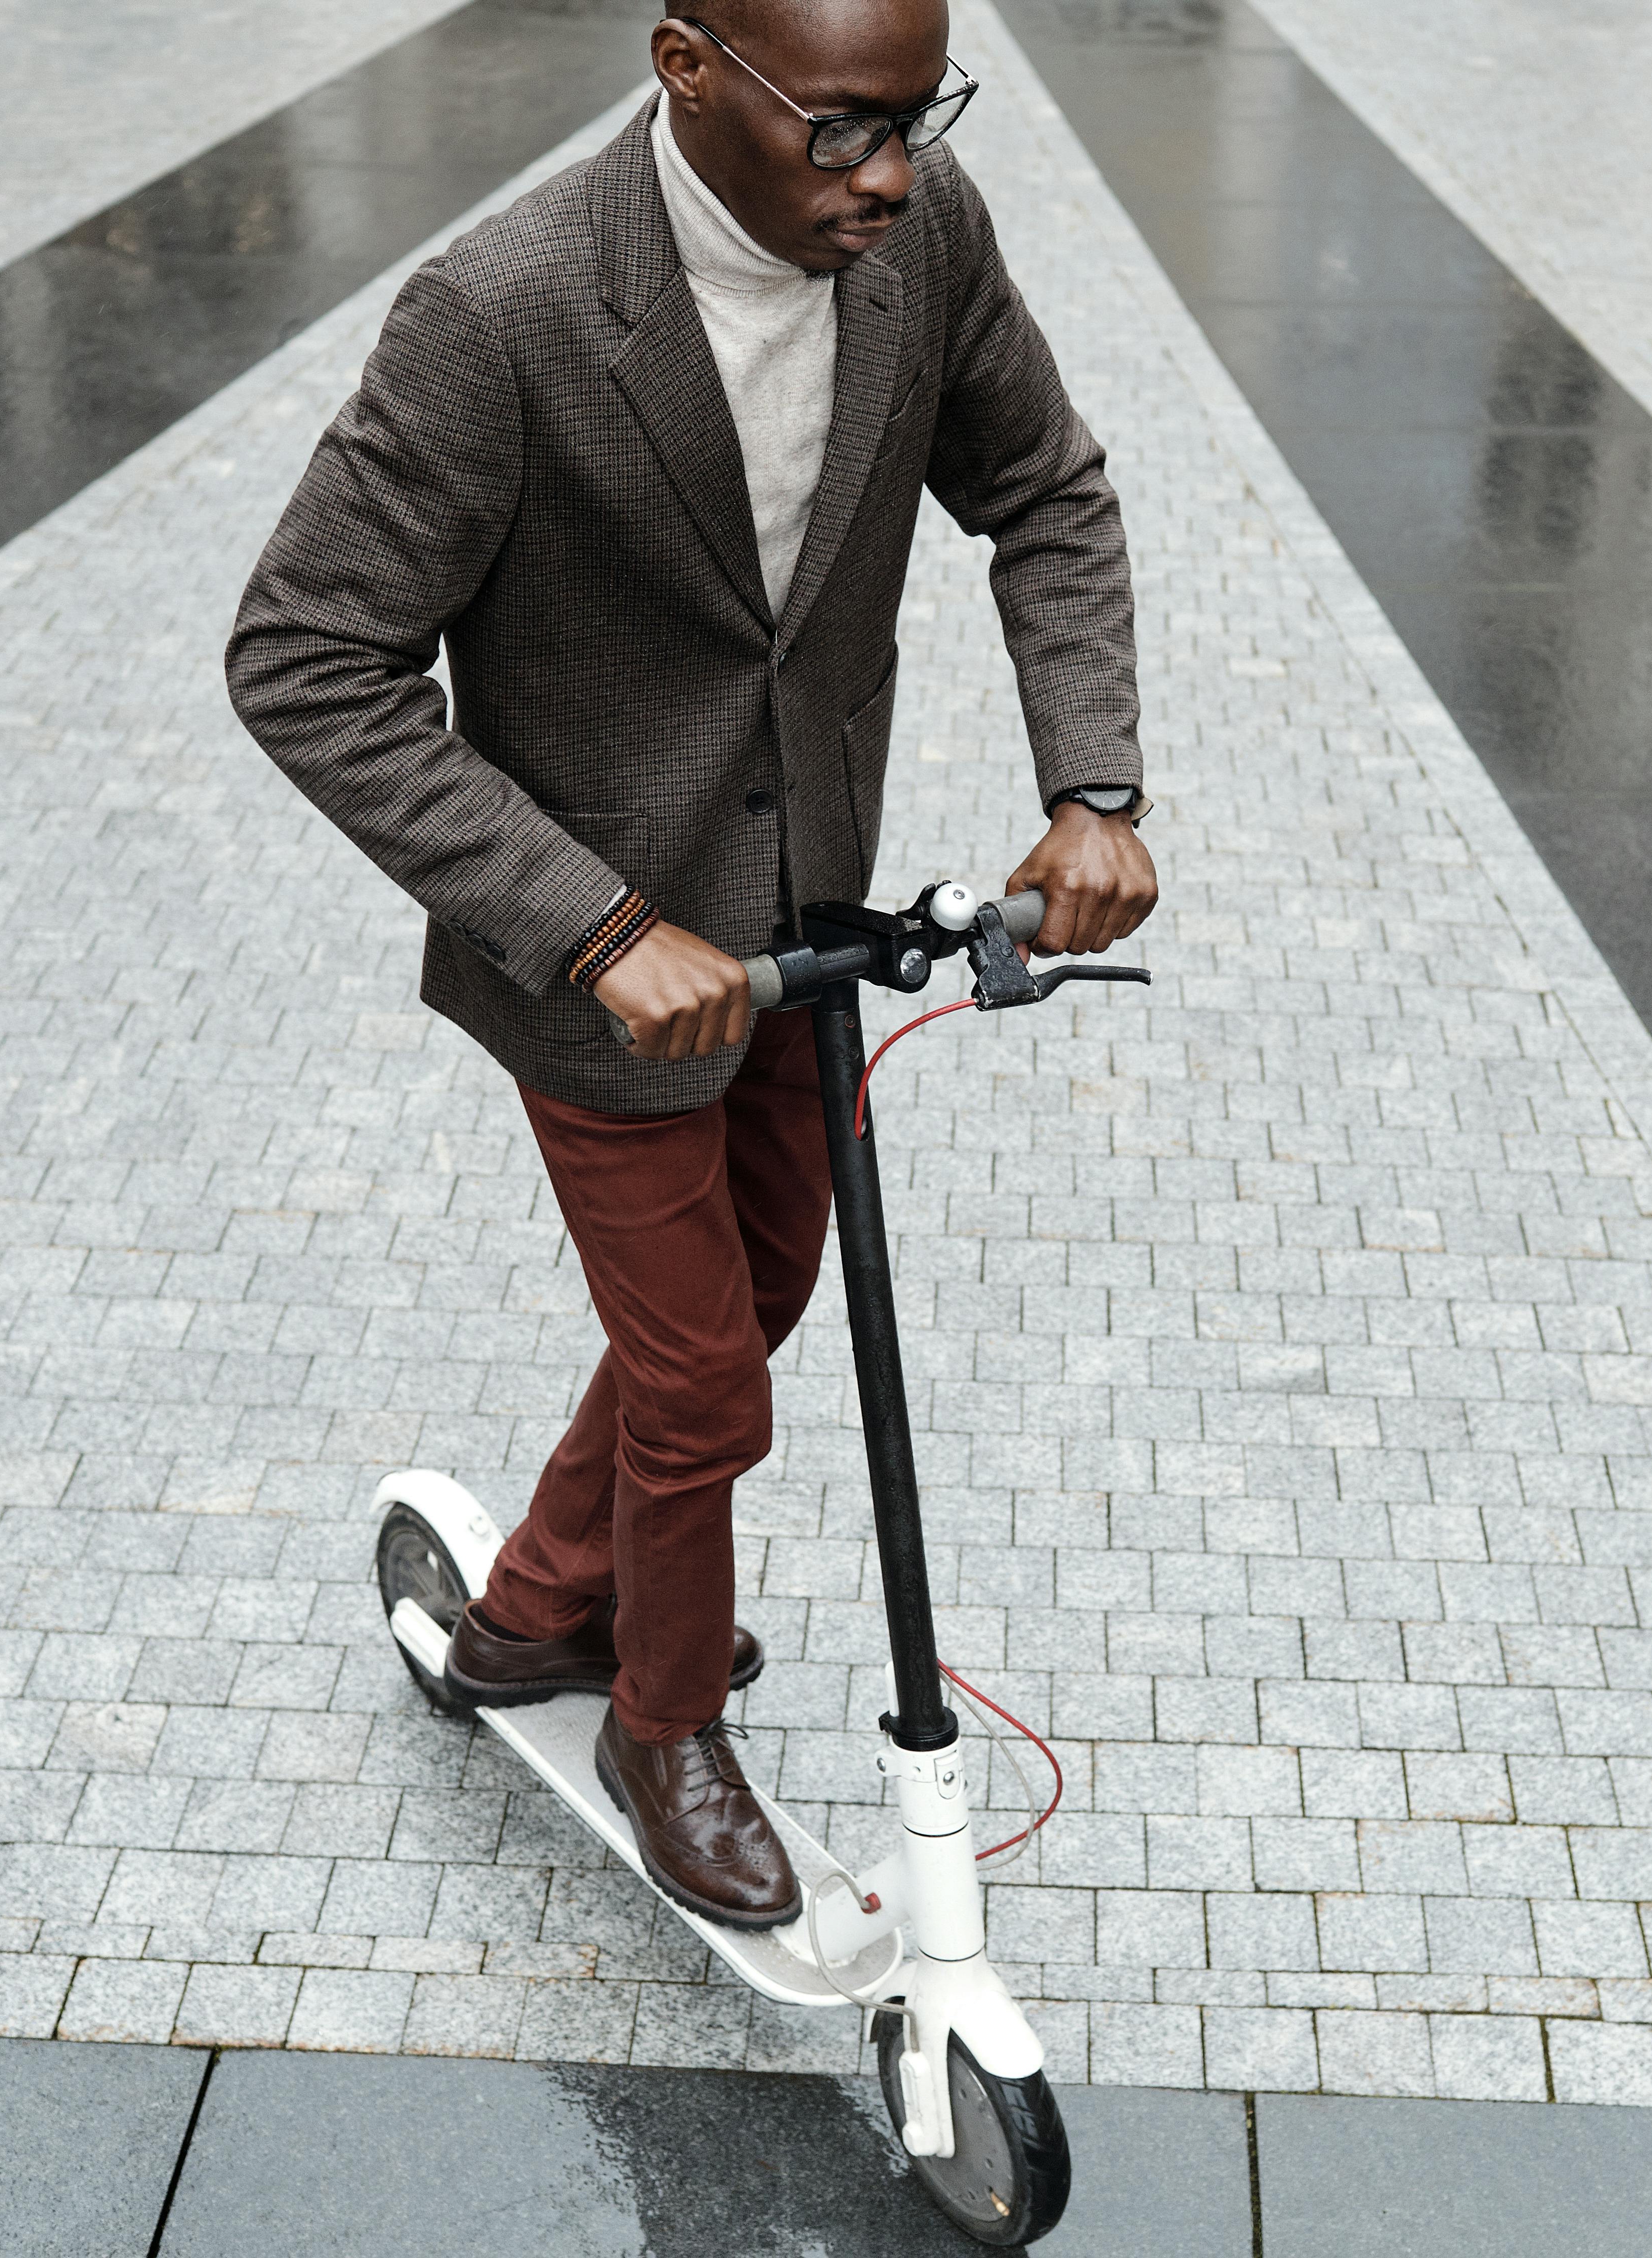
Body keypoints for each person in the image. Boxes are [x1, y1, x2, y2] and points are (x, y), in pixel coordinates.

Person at [225, 0, 1154, 1928]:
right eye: (844, 131)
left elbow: (1047, 493)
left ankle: (534, 1618)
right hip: (600, 960)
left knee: (752, 1297)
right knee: (708, 1383)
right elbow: (305, 657)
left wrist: (1094, 784)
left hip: (808, 914)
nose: (891, 177)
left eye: (922, 120)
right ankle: (662, 1727)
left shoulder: (924, 238)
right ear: (683, 65)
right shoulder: (505, 313)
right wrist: (597, 925)